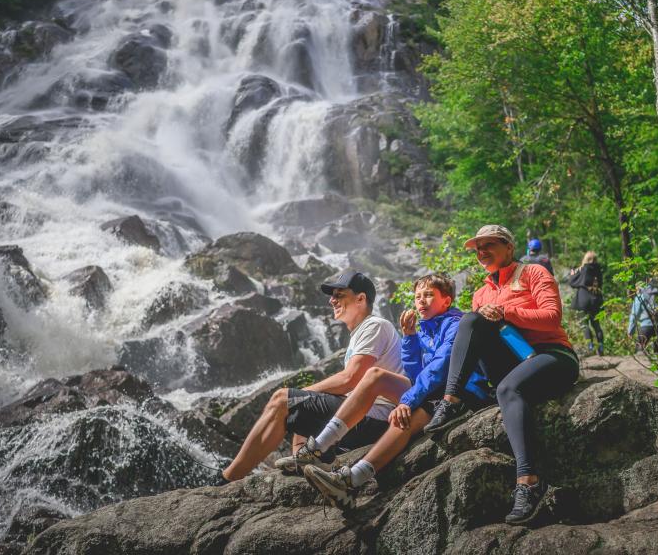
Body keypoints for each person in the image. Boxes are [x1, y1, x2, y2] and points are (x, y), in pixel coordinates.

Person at [422, 224, 579, 525]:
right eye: (478, 249)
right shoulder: (481, 292)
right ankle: (451, 399)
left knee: (508, 390)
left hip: (552, 355)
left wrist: (507, 312)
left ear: (508, 247)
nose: (482, 252)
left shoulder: (533, 273)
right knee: (470, 320)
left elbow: (553, 317)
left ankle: (529, 483)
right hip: (512, 363)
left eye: (488, 245)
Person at [301, 273, 491, 509]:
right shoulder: (424, 330)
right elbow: (415, 373)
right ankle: (341, 471)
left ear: (447, 301)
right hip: (437, 393)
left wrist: (407, 401)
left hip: (464, 391)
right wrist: (410, 338)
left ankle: (350, 479)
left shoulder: (455, 324)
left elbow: (439, 369)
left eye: (429, 295)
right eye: (418, 296)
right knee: (404, 415)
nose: (421, 301)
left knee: (406, 417)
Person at [214, 270, 403, 484]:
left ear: (361, 299)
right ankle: (302, 464)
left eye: (339, 295)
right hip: (363, 419)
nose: (332, 300)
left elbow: (349, 379)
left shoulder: (374, 325)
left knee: (281, 399)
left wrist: (301, 395)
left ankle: (227, 478)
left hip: (375, 420)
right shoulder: (360, 333)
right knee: (297, 411)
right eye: (332, 296)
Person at [567, 251, 605, 357]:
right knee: (596, 325)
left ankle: (590, 347)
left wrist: (572, 274)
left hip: (583, 299)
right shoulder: (599, 270)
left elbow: (572, 282)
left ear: (586, 259)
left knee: (584, 324)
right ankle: (601, 347)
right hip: (596, 299)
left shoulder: (583, 269)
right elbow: (600, 284)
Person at [627, 279, 658, 353]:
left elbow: (634, 315)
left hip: (646, 326)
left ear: (638, 288)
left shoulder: (640, 296)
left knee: (640, 351)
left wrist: (630, 331)